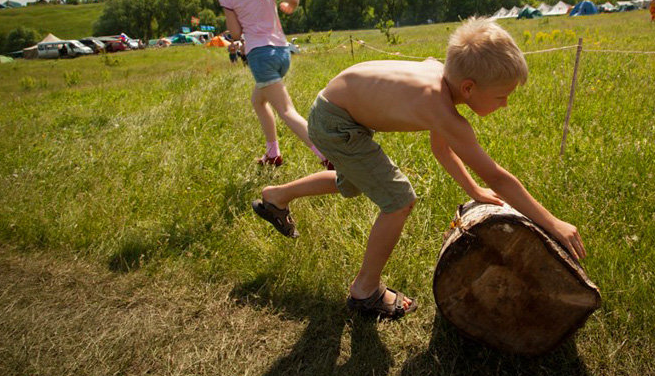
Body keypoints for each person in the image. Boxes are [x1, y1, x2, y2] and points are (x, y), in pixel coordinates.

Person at [251, 17, 586, 320]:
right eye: (501, 96)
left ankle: (276, 196)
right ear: (468, 87)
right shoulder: (438, 106)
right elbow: (497, 175)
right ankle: (364, 291)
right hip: (337, 123)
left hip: (335, 110)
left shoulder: (439, 78)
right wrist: (553, 223)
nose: (506, 103)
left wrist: (473, 191)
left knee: (352, 182)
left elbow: (439, 148)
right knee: (398, 200)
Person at [218, 0, 332, 169]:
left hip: (261, 57)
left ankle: (329, 157)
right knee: (258, 101)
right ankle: (273, 155)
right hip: (282, 53)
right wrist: (289, 7)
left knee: (287, 111)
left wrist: (238, 39)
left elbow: (236, 31)